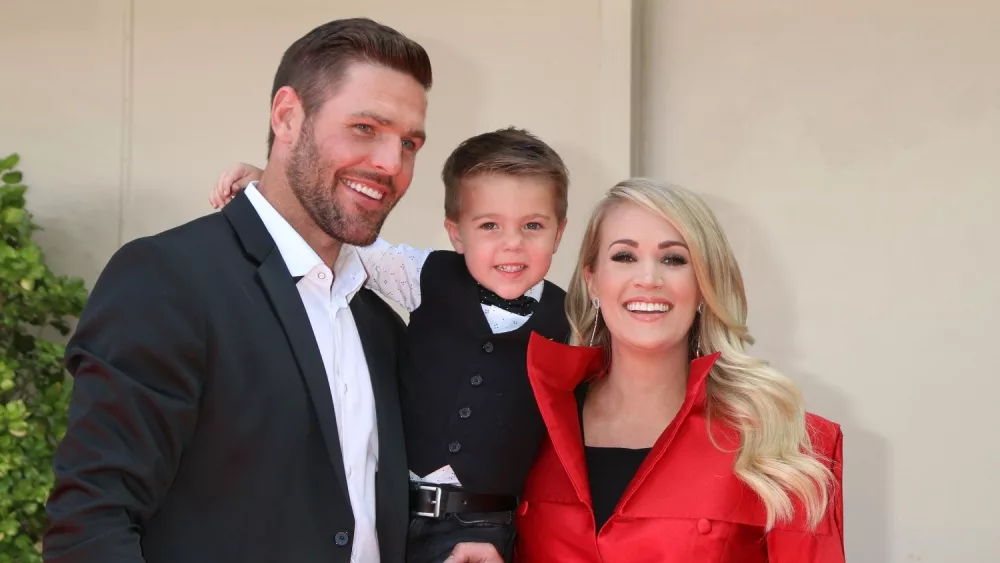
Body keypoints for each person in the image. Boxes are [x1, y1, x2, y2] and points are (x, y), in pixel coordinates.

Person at [43, 18, 432, 563]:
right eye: (366, 127)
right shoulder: (166, 280)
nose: (392, 164)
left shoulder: (380, 323)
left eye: (409, 143)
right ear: (288, 116)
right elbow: (91, 524)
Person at [210, 126, 572, 563]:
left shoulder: (573, 322)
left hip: (487, 530)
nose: (512, 243)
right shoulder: (425, 275)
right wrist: (271, 189)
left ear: (559, 232)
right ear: (456, 233)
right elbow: (346, 241)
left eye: (533, 225)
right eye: (489, 225)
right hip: (387, 518)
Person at [451, 178, 845, 562]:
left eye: (673, 259)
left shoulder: (784, 442)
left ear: (704, 286)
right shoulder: (526, 421)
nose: (648, 279)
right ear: (592, 281)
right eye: (624, 257)